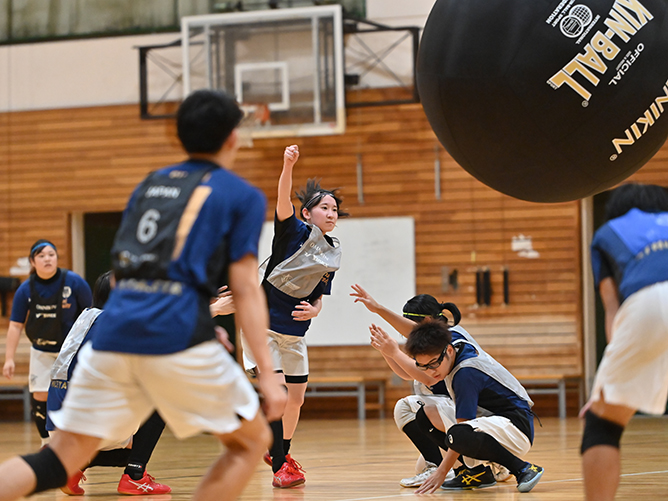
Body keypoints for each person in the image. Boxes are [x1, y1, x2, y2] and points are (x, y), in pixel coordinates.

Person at [0, 88, 286, 501]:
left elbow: (129, 272)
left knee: (60, 457)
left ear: (178, 137)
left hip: (111, 335)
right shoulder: (239, 195)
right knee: (250, 441)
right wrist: (267, 374)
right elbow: (245, 288)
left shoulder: (150, 184)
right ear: (233, 138)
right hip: (177, 338)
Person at [243, 145, 347, 488]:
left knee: (297, 398)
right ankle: (279, 470)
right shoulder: (292, 231)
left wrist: (315, 309)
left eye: (334, 209)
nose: (331, 213)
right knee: (278, 394)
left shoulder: (331, 251)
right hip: (264, 325)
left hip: (295, 332)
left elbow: (320, 293)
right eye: (324, 207)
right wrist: (288, 165)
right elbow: (282, 198)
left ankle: (281, 453)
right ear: (307, 213)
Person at [351, 285, 510, 488]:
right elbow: (406, 373)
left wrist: (380, 313)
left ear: (426, 321)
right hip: (472, 419)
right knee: (422, 462)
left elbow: (429, 380)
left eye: (408, 322)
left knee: (405, 407)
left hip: (480, 419)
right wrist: (387, 351)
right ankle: (491, 463)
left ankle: (469, 466)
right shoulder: (435, 343)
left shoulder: (449, 340)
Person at [367, 317, 543, 494]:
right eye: (424, 367)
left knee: (458, 434)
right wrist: (389, 350)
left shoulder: (465, 373)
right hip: (492, 421)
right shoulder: (451, 346)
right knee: (424, 415)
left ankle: (523, 468)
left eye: (434, 363)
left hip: (516, 427)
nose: (431, 371)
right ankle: (473, 473)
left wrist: (442, 471)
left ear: (449, 351)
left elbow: (461, 432)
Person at [47, 271, 170, 496]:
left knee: (134, 444)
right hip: (83, 422)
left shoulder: (87, 317)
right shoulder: (115, 322)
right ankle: (135, 476)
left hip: (59, 424)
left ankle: (71, 466)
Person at [582, 183, 668, 501]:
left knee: (603, 425)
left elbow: (611, 307)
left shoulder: (609, 232)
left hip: (646, 303)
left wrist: (605, 387)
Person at [3, 240, 92, 447]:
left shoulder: (74, 282)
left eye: (51, 254)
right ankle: (46, 442)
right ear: (33, 262)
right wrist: (9, 359)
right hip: (41, 349)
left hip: (70, 351)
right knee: (41, 394)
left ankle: (77, 442)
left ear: (56, 258)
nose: (47, 259)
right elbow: (15, 326)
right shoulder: (25, 290)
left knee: (73, 396)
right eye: (41, 256)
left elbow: (91, 314)